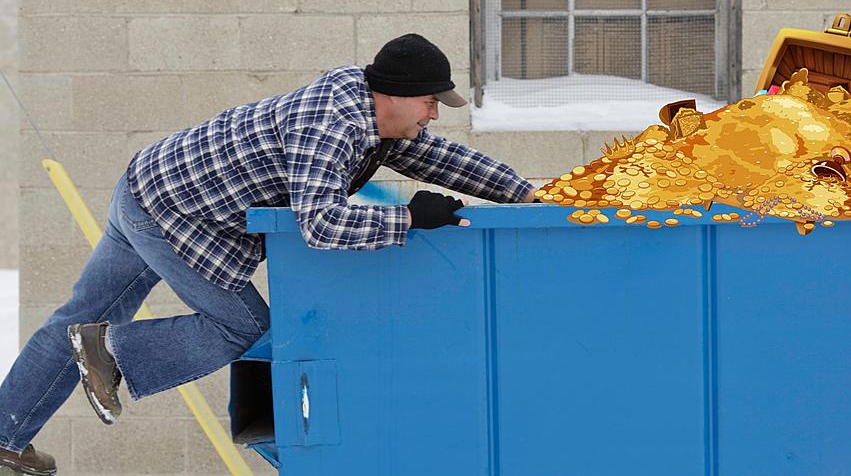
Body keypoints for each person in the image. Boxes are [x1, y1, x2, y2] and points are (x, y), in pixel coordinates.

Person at [0, 34, 536, 475]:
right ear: (395, 95)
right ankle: (111, 351)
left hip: (148, 187)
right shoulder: (329, 124)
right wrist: (410, 218)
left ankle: (5, 435)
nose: (434, 115)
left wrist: (526, 195)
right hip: (170, 213)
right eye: (430, 103)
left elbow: (442, 159)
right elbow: (321, 225)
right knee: (242, 326)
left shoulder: (374, 118)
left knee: (78, 316)